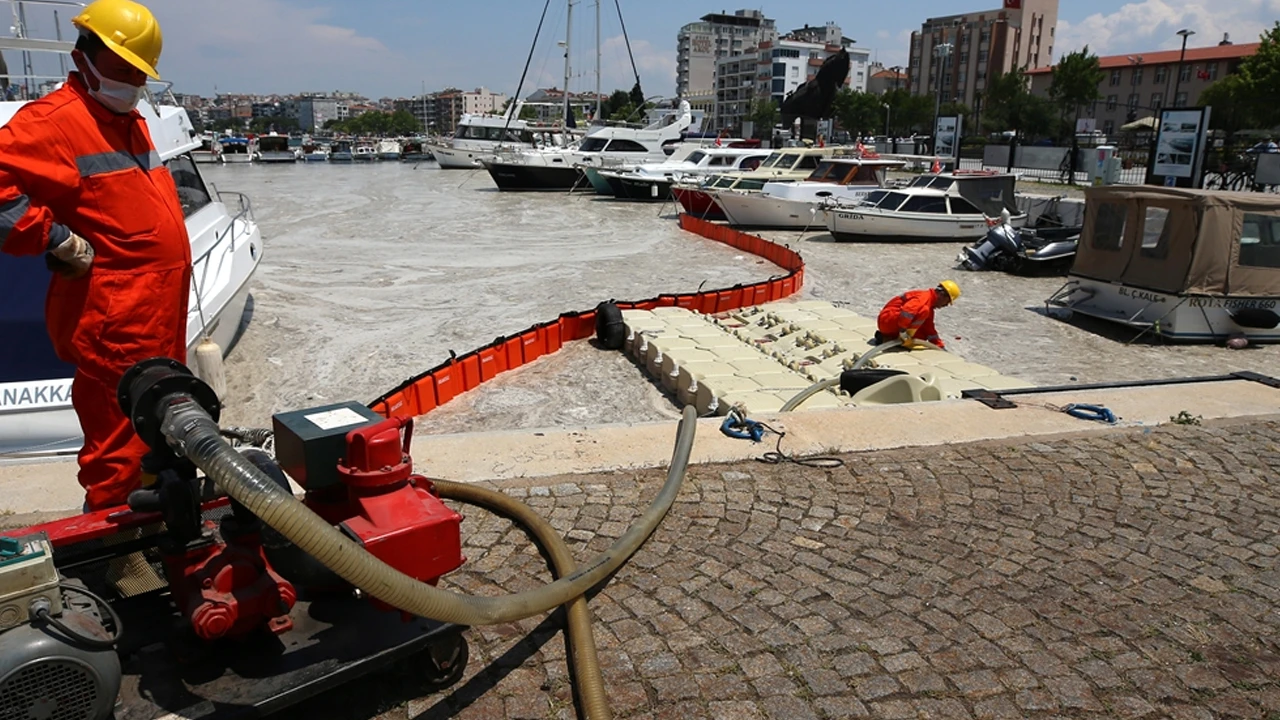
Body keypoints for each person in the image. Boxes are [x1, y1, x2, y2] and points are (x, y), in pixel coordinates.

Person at [0, 0, 191, 511]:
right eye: (121, 66)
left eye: (138, 70)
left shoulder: (126, 118)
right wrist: (53, 237)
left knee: (161, 438)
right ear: (83, 56)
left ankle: (156, 535)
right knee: (120, 452)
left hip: (156, 316)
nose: (131, 79)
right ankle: (118, 562)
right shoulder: (56, 122)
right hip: (117, 323)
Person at [874, 281, 961, 350]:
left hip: (893, 322)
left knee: (922, 336)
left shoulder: (929, 304)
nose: (946, 305)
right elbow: (907, 312)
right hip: (887, 320)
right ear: (942, 295)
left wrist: (939, 346)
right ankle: (892, 339)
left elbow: (929, 329)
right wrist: (903, 333)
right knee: (923, 311)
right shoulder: (923, 299)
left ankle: (887, 338)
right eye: (947, 301)